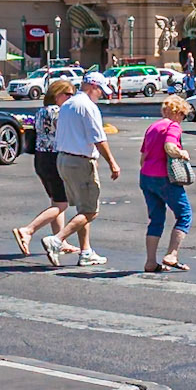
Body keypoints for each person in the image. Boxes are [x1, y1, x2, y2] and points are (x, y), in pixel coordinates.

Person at [43, 68, 120, 268]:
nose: (101, 94)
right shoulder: (88, 106)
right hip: (80, 161)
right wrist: (112, 162)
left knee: (81, 208)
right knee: (90, 211)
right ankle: (57, 239)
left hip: (63, 159)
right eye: (100, 90)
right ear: (93, 86)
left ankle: (86, 251)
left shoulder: (67, 104)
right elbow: (99, 138)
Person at [13, 77, 77, 259]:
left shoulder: (41, 111)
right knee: (62, 203)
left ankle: (60, 240)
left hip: (41, 158)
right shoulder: (60, 112)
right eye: (68, 95)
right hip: (55, 158)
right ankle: (28, 230)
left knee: (55, 200)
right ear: (58, 95)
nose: (71, 98)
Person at [140, 95, 193, 273]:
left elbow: (143, 157)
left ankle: (150, 262)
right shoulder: (173, 126)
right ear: (177, 113)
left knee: (156, 219)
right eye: (183, 116)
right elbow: (169, 147)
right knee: (184, 214)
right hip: (164, 177)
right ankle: (172, 254)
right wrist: (182, 153)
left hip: (146, 176)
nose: (182, 120)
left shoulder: (152, 127)